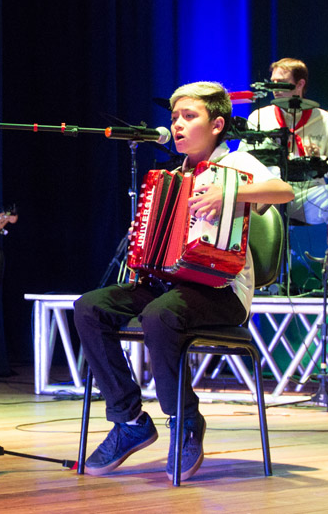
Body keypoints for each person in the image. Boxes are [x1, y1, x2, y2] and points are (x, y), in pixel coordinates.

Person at [73, 81, 294, 480]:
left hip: (221, 291)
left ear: (217, 125)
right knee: (90, 307)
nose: (177, 125)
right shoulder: (174, 176)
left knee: (160, 316)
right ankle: (130, 421)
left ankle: (186, 419)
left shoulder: (236, 163)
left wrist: (232, 194)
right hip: (169, 287)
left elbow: (284, 191)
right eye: (174, 117)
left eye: (189, 116)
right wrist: (144, 236)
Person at [241, 58, 328, 286]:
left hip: (307, 196)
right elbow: (243, 162)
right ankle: (267, 276)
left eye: (281, 83)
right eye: (272, 83)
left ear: (300, 85)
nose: (275, 89)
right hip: (270, 198)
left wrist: (318, 162)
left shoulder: (323, 119)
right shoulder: (260, 117)